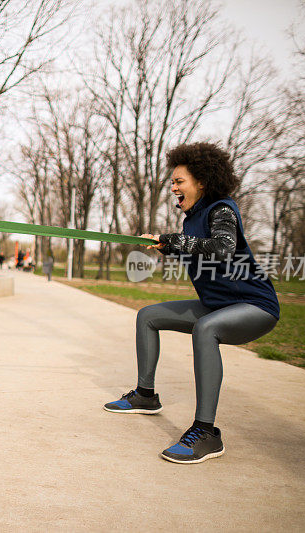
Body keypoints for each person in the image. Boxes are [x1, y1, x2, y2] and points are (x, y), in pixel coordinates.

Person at [103, 143, 279, 463]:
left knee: (205, 329)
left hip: (255, 304)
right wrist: (173, 246)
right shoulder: (190, 221)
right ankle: (145, 396)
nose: (173, 187)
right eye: (172, 182)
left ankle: (206, 432)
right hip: (217, 304)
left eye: (179, 181)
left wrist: (178, 241)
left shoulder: (221, 209)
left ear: (202, 182)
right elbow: (197, 247)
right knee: (148, 316)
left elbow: (223, 247)